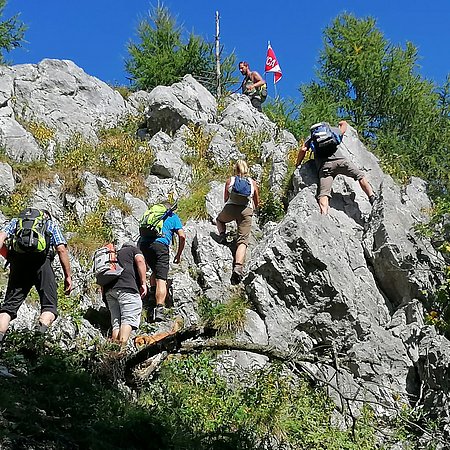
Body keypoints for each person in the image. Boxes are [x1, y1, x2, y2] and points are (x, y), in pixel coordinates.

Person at [0, 208, 72, 343]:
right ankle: (36, 342)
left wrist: (10, 257)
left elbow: (0, 238)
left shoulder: (16, 222)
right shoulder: (49, 224)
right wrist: (68, 276)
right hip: (42, 264)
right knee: (49, 307)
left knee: (8, 309)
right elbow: (61, 249)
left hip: (19, 265)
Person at [296, 120, 376, 215]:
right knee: (360, 176)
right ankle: (371, 197)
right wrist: (341, 122)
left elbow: (303, 149)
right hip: (341, 162)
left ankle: (323, 215)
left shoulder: (311, 138)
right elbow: (343, 128)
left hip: (325, 168)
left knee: (324, 194)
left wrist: (298, 163)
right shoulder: (332, 130)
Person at [139, 204, 186, 322]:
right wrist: (179, 254)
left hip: (144, 245)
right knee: (161, 278)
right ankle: (159, 309)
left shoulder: (152, 215)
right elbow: (182, 236)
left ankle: (151, 298)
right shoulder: (173, 217)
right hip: (160, 246)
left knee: (155, 270)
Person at [216, 160, 260, 284]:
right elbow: (257, 202)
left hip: (230, 208)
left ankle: (222, 235)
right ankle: (238, 267)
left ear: (235, 169)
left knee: (219, 220)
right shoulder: (253, 183)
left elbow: (226, 198)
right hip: (246, 211)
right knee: (242, 240)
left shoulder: (230, 181)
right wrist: (251, 210)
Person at [103, 243, 147, 345]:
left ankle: (113, 349)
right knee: (128, 319)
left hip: (109, 291)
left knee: (116, 323)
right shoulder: (133, 250)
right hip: (126, 288)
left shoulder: (113, 255)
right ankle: (121, 349)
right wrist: (143, 283)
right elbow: (140, 261)